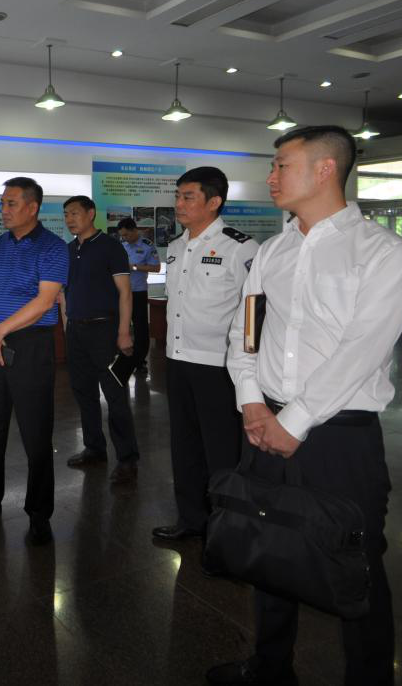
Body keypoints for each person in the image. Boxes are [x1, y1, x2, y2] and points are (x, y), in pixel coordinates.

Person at [208, 127, 402, 686]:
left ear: (325, 169)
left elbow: (361, 351)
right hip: (264, 422)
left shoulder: (383, 252)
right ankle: (271, 666)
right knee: (267, 546)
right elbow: (244, 335)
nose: (271, 177)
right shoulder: (272, 252)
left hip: (340, 434)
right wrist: (252, 404)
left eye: (282, 165)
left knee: (356, 562)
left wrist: (295, 421)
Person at [152, 167, 259, 543]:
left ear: (214, 202)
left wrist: (251, 366)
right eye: (177, 196)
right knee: (184, 445)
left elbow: (255, 313)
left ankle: (227, 531)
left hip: (219, 366)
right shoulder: (176, 246)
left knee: (221, 451)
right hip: (178, 360)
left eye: (188, 197)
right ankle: (191, 518)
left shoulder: (240, 247)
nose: (178, 204)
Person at [0, 177, 69, 545]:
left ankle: (39, 513)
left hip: (32, 346)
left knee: (36, 433)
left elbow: (44, 302)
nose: (4, 210)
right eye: (3, 203)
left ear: (32, 207)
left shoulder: (53, 248)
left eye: (11, 203)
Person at [60, 196, 139, 483]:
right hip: (76, 331)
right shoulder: (69, 250)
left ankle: (127, 459)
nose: (69, 219)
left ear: (91, 213)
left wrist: (124, 331)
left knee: (115, 395)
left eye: (75, 213)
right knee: (84, 393)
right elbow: (64, 293)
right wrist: (67, 326)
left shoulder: (110, 246)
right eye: (66, 214)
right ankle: (94, 448)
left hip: (105, 330)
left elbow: (125, 292)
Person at [117, 217, 160, 375]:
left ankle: (140, 361)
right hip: (121, 292)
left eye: (126, 234)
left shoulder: (147, 246)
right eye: (122, 235)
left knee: (140, 328)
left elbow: (156, 268)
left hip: (138, 292)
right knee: (121, 326)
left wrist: (134, 267)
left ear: (135, 230)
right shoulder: (121, 245)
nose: (124, 238)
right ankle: (122, 358)